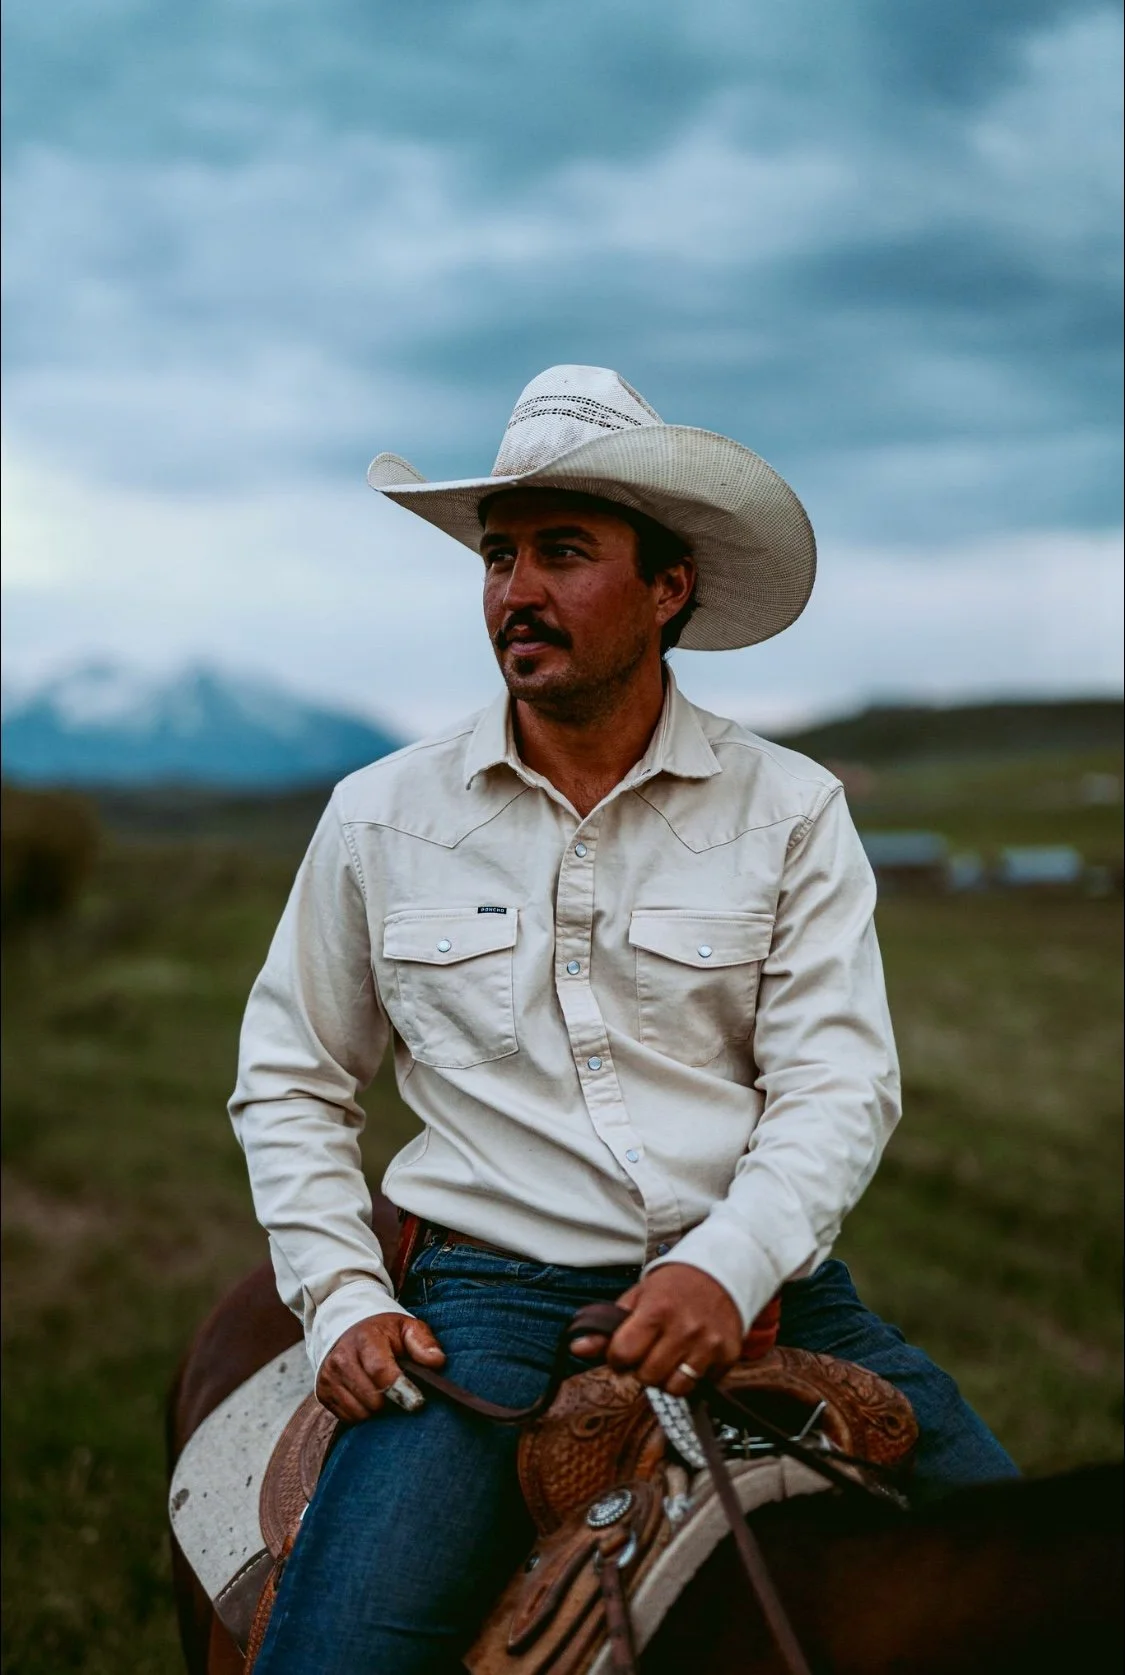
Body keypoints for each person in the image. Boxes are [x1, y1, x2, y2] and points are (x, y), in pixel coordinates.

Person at [230, 366, 1016, 1674]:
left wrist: (730, 1260)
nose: (513, 591)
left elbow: (839, 1080)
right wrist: (341, 1296)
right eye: (500, 556)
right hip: (484, 1306)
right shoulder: (382, 814)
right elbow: (292, 1075)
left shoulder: (791, 808)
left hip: (773, 1299)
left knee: (1030, 1585)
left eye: (564, 551)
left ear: (669, 588)